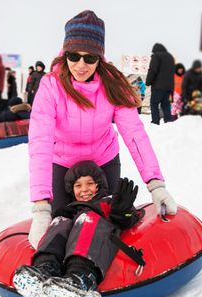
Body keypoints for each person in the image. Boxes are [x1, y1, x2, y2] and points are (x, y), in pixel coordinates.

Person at [26, 10, 177, 250]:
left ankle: (92, 268)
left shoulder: (113, 85)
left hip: (103, 159)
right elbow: (40, 141)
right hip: (63, 161)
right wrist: (41, 206)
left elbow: (135, 135)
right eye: (74, 56)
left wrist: (156, 184)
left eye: (90, 58)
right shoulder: (50, 86)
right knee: (62, 221)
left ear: (100, 57)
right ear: (65, 54)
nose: (81, 65)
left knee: (107, 219)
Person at [14, 161, 139, 297]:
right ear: (72, 190)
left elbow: (128, 220)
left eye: (90, 183)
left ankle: (81, 278)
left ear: (99, 185)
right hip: (69, 247)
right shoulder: (69, 210)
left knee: (87, 219)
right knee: (60, 221)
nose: (84, 189)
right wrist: (63, 217)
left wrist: (121, 211)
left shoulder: (108, 203)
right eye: (78, 186)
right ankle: (45, 269)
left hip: (100, 242)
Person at [146, 43, 175, 124]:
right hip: (169, 88)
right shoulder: (170, 57)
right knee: (166, 105)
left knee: (154, 103)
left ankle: (155, 122)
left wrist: (148, 81)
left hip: (158, 87)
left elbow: (152, 70)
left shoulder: (156, 56)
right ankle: (168, 122)